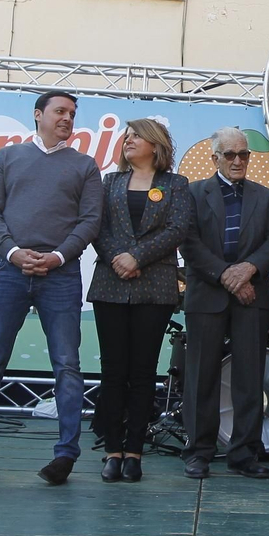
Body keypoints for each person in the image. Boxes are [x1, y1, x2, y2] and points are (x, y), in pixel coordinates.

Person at [0, 90, 102, 487]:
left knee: (67, 366)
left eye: (72, 113)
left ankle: (65, 456)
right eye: (60, 111)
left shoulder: (85, 166)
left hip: (60, 276)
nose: (66, 118)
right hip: (7, 273)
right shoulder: (8, 157)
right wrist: (11, 252)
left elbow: (90, 220)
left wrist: (57, 257)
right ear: (38, 115)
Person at [88, 118, 191, 482]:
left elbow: (178, 228)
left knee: (143, 371)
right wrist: (120, 258)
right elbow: (97, 226)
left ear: (155, 144)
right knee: (114, 371)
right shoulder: (109, 182)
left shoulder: (175, 184)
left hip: (155, 286)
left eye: (136, 136)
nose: (128, 141)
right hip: (110, 285)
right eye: (126, 136)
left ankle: (134, 452)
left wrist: (138, 257)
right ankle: (112, 451)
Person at [178, 128, 269, 480]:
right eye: (230, 155)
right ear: (215, 159)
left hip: (251, 296)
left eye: (244, 154)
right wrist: (227, 276)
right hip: (207, 295)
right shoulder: (193, 193)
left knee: (249, 377)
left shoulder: (263, 196)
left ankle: (244, 454)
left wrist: (249, 269)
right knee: (201, 378)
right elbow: (188, 243)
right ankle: (199, 452)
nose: (238, 161)